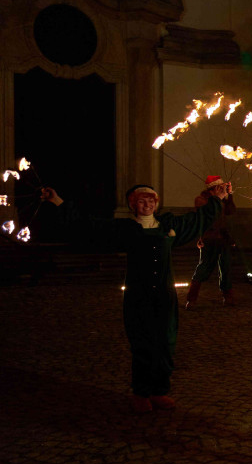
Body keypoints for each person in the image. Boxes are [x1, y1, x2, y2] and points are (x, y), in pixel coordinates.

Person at [41, 182, 229, 413]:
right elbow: (86, 226)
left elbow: (197, 219)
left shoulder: (168, 225)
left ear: (156, 203)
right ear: (133, 204)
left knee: (166, 343)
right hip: (138, 296)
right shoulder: (125, 228)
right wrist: (57, 200)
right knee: (143, 343)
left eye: (151, 200)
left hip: (164, 295)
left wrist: (217, 198)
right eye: (141, 200)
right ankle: (141, 393)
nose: (147, 204)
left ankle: (159, 391)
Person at [186, 176, 237, 309]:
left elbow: (231, 211)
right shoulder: (201, 200)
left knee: (226, 268)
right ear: (213, 189)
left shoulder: (222, 200)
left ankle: (228, 297)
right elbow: (207, 214)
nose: (222, 190)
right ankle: (191, 299)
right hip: (209, 239)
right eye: (219, 188)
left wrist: (229, 195)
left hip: (223, 238)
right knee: (203, 268)